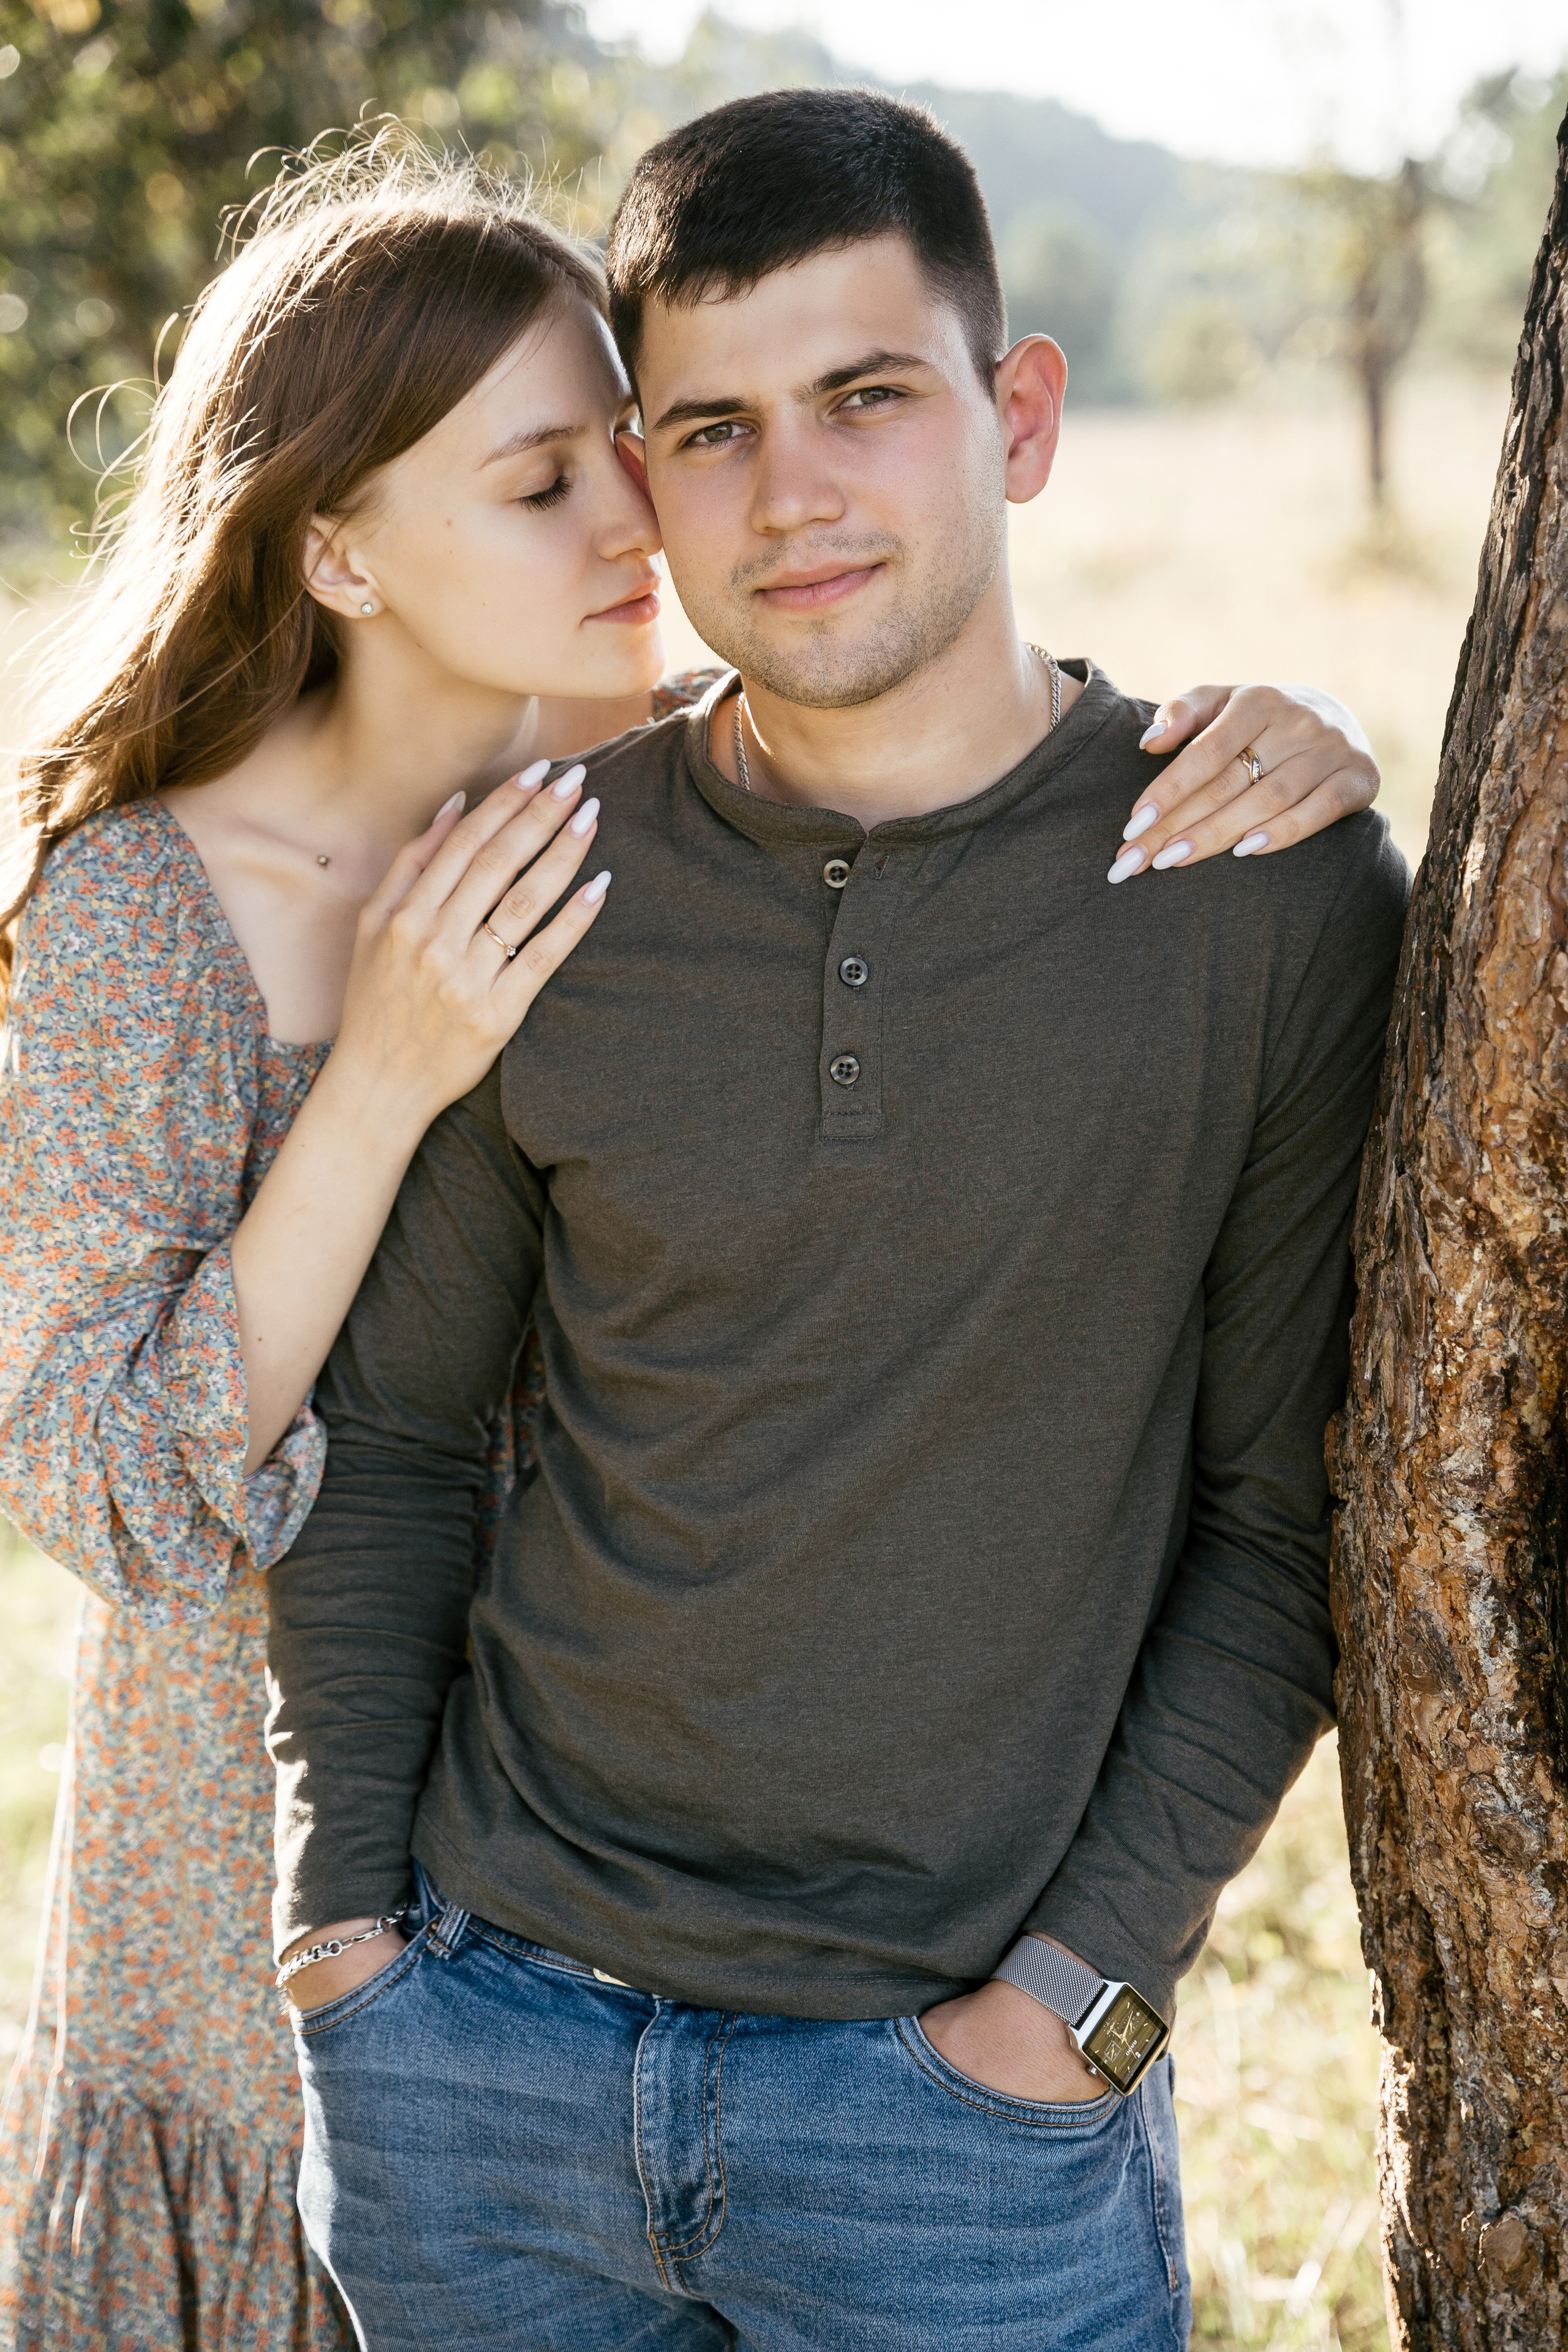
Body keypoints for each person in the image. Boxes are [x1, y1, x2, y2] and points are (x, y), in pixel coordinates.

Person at [0, 129, 1373, 2352]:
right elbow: (178, 1478)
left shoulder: (625, 784)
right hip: (316, 1878)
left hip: (856, 1991)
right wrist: (347, 1938)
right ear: (341, 552)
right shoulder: (224, 904)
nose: (674, 520)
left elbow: (929, 734)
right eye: (574, 477)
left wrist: (1284, 742)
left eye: (625, 455)